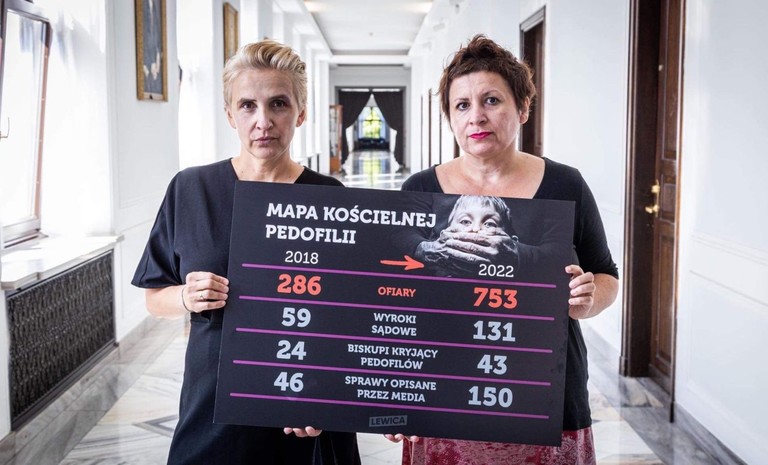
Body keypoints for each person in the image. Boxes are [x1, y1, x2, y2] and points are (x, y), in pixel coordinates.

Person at [386, 35, 619, 464]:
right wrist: (396, 393)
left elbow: (606, 274)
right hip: (443, 389)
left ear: (523, 108)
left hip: (544, 387)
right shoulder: (419, 189)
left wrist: (589, 301)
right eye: (462, 105)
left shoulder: (565, 184)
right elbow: (393, 293)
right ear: (450, 117)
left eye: (491, 100)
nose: (476, 116)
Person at [132, 40, 361, 465]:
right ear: (229, 114)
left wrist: (327, 396)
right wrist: (186, 296)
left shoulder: (331, 196)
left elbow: (351, 313)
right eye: (247, 106)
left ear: (301, 112)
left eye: (278, 104)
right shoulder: (191, 189)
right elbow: (154, 296)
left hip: (303, 402)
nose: (263, 121)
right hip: (214, 398)